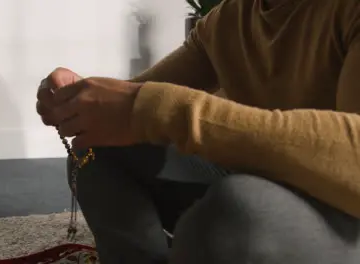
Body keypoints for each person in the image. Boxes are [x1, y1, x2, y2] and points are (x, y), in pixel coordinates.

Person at [36, 0, 360, 263]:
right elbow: (141, 98)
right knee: (98, 144)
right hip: (264, 184)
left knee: (241, 208)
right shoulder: (231, 17)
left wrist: (159, 108)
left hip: (345, 213)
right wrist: (79, 99)